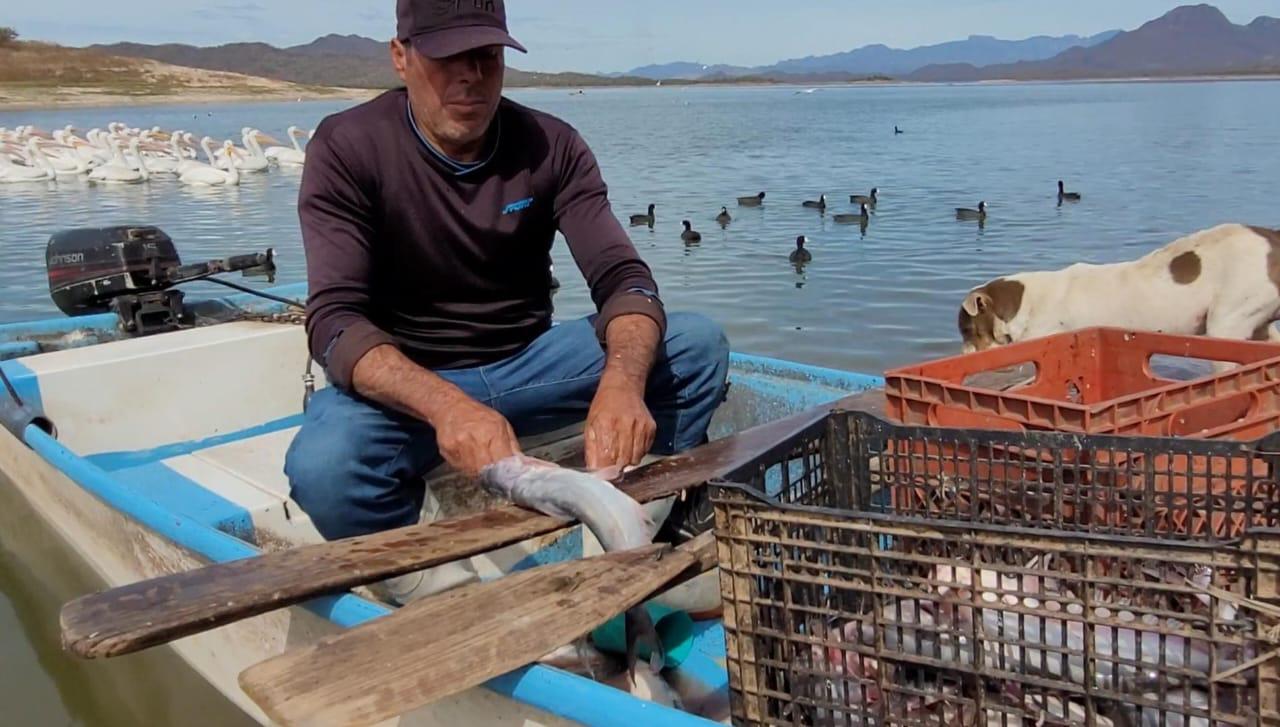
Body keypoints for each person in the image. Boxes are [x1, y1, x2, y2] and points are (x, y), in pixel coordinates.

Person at [284, 0, 730, 569]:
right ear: (401, 57)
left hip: (529, 365)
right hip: (413, 384)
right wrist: (447, 407)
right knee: (325, 465)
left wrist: (622, 382)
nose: (470, 75)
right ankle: (435, 580)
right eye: (447, 57)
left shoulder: (552, 144)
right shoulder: (348, 148)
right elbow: (335, 322)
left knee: (696, 345)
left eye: (486, 56)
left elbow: (624, 280)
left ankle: (643, 511)